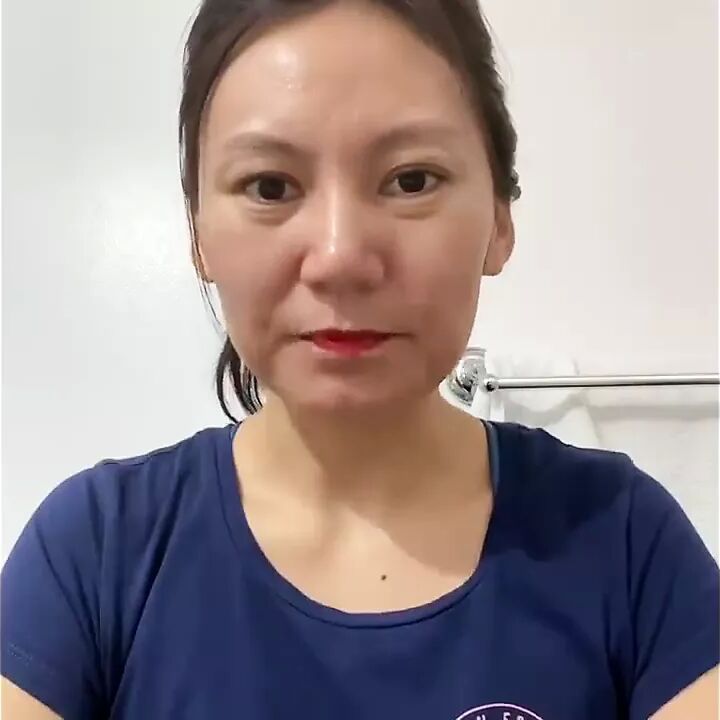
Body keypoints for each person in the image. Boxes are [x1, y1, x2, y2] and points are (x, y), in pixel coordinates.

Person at [2, 0, 718, 717]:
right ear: (198, 234)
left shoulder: (625, 542)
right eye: (270, 187)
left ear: (501, 218)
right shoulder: (95, 552)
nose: (341, 257)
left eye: (411, 181)